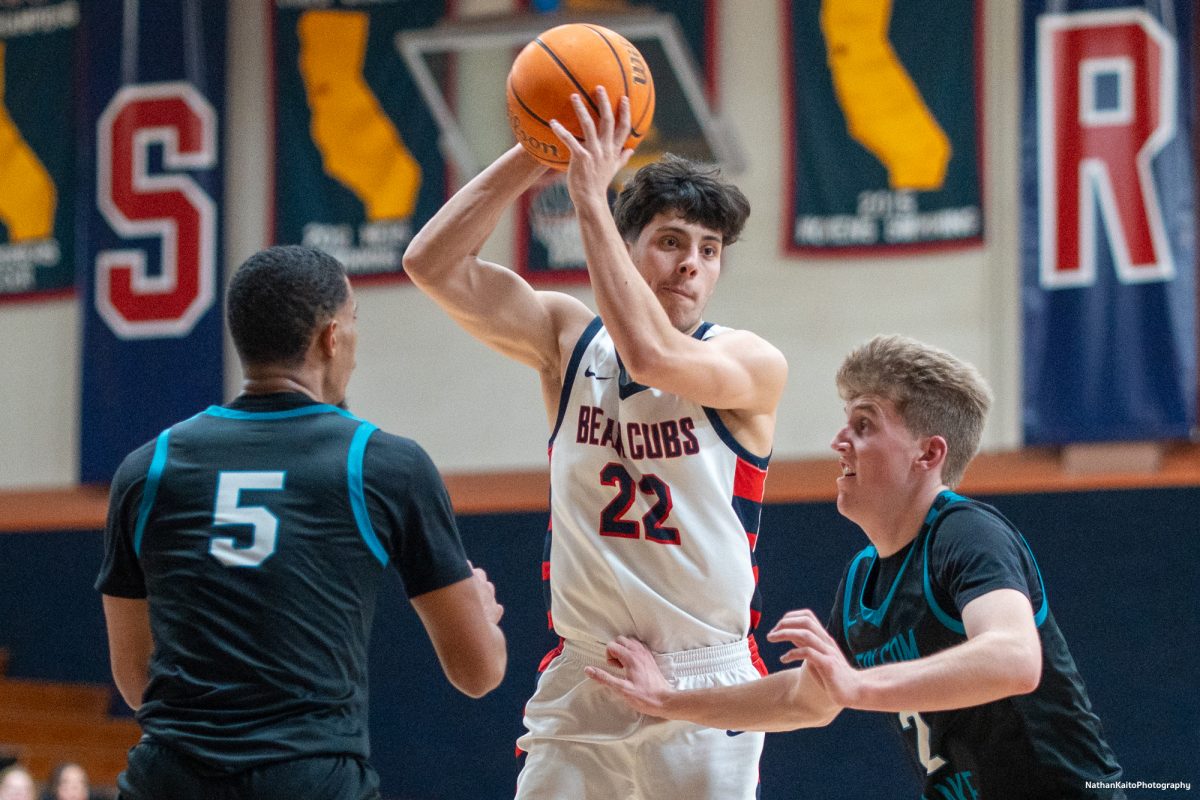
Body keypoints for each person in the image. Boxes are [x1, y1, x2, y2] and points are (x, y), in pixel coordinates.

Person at [403, 88, 787, 799]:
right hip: (588, 671)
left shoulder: (748, 363)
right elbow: (432, 264)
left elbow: (650, 357)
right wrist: (539, 149)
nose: (693, 264)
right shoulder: (567, 339)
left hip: (706, 683)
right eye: (671, 241)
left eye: (709, 250)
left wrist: (587, 198)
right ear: (630, 242)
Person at [587, 334, 1126, 799]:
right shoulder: (862, 577)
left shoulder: (965, 532)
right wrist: (669, 702)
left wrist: (857, 687)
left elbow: (1013, 659)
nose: (839, 441)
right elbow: (807, 699)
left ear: (928, 454)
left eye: (864, 425)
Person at [95, 245, 507, 800]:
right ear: (330, 337)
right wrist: (481, 617)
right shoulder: (383, 463)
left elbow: (137, 680)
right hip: (311, 782)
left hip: (169, 782)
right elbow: (477, 673)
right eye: (355, 322)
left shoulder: (148, 468)